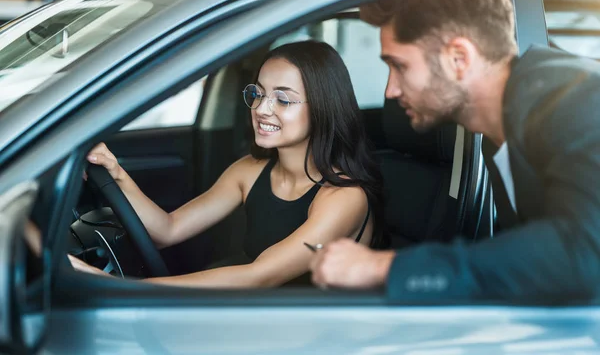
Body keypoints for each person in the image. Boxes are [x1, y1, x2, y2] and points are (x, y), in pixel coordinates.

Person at [310, 0, 600, 300]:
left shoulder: (580, 101)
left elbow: (585, 255)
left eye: (400, 66)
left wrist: (383, 267)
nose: (391, 90)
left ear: (458, 59)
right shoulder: (497, 133)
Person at [69, 40, 386, 288]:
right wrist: (115, 171)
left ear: (322, 107)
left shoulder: (344, 196)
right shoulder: (249, 171)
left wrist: (122, 288)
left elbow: (259, 276)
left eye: (283, 99)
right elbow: (168, 229)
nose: (262, 109)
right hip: (250, 317)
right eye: (258, 94)